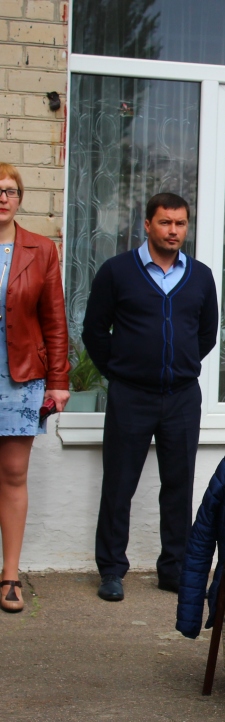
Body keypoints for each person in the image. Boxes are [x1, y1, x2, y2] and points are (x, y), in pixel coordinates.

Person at [82, 193, 219, 602]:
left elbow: (206, 334)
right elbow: (94, 331)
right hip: (131, 396)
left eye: (180, 223)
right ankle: (111, 569)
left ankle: (173, 570)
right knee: (119, 484)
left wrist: (179, 365)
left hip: (182, 397)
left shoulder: (200, 276)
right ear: (147, 224)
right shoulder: (117, 271)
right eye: (165, 222)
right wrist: (121, 370)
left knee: (178, 486)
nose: (173, 231)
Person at [0, 164, 70, 614]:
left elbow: (54, 320)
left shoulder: (40, 250)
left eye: (10, 191)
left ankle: (9, 575)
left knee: (12, 474)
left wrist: (59, 381)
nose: (2, 198)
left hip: (19, 376)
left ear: (20, 198)